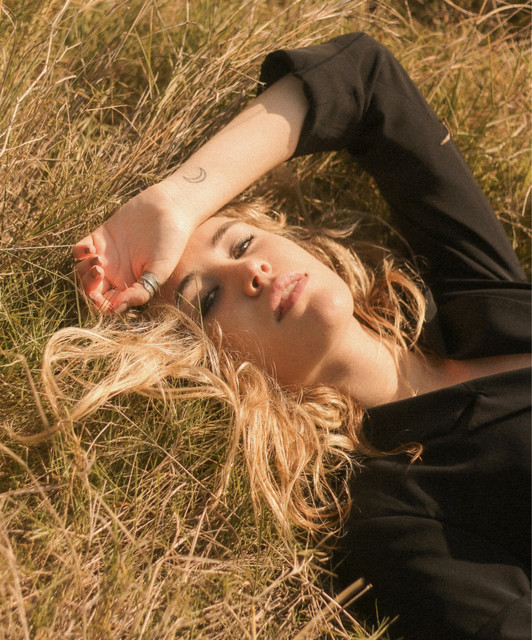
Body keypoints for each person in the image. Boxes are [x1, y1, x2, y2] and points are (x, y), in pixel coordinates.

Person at [59, 32, 530, 639]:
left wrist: (176, 200)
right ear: (212, 371)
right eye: (208, 299)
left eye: (241, 243)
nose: (250, 272)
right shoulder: (397, 518)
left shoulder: (481, 308)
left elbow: (367, 78)